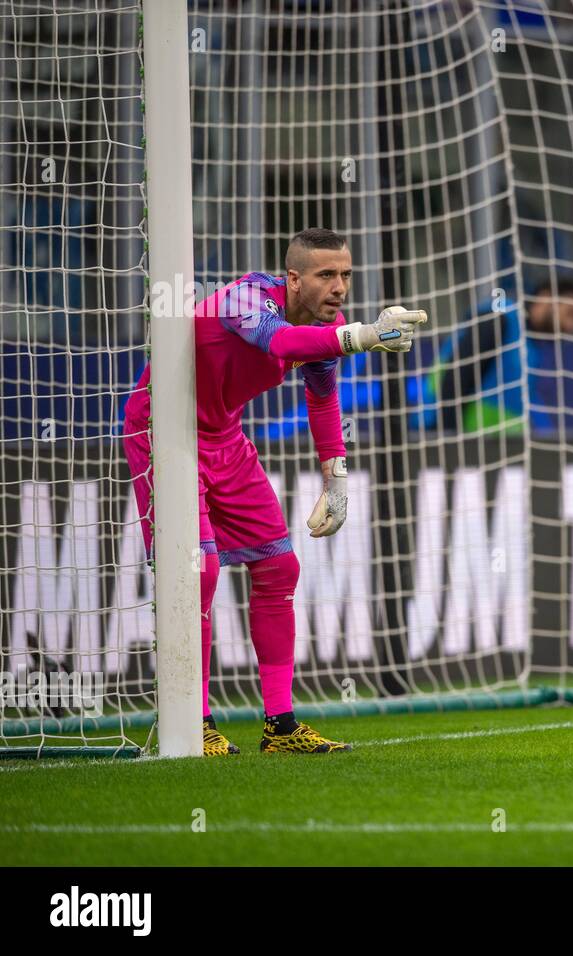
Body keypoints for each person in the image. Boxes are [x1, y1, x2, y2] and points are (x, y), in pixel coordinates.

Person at [122, 227, 426, 755]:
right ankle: (193, 723)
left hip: (223, 437)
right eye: (325, 275)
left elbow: (323, 400)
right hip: (163, 433)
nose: (338, 287)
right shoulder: (247, 298)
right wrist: (364, 336)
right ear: (292, 278)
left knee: (280, 568)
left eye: (346, 275)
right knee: (200, 569)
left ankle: (280, 728)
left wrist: (336, 483)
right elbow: (280, 342)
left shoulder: (325, 331)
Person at [418, 276, 573, 433]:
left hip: (496, 449)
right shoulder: (500, 319)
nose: (572, 326)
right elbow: (458, 375)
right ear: (545, 297)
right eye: (571, 314)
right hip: (460, 441)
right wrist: (447, 436)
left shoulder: (531, 347)